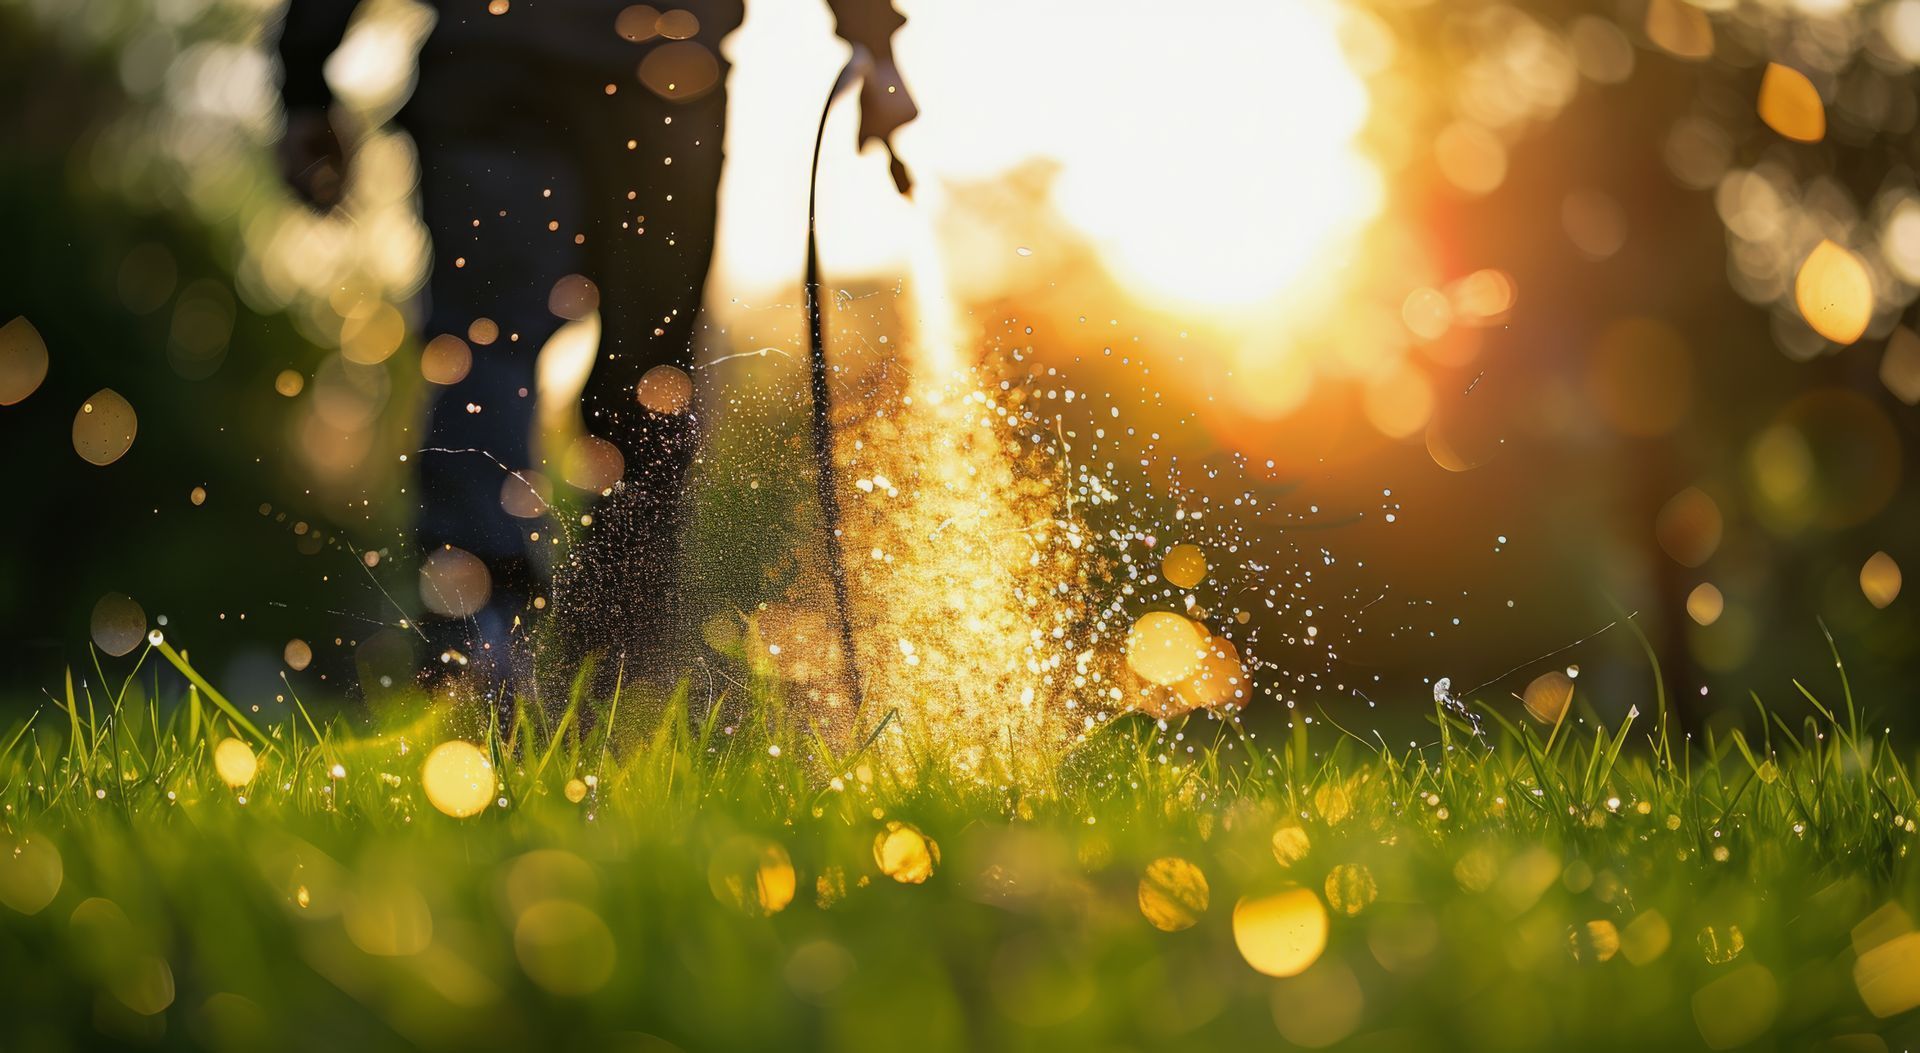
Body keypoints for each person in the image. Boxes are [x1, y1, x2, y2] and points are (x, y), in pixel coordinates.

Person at [273, 0, 916, 692]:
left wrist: (306, 81)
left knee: (490, 353)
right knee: (644, 380)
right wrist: (874, 43)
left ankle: (489, 645)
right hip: (647, 72)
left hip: (511, 65)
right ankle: (611, 672)